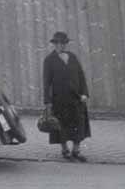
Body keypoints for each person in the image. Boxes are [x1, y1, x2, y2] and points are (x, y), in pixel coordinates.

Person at [42, 31, 92, 161]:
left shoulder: (73, 57)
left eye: (63, 43)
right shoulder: (49, 60)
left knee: (79, 124)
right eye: (58, 43)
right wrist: (47, 101)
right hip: (59, 99)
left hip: (76, 98)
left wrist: (85, 93)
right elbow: (46, 82)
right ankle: (65, 150)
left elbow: (81, 76)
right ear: (54, 44)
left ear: (66, 44)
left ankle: (76, 150)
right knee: (61, 125)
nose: (61, 46)